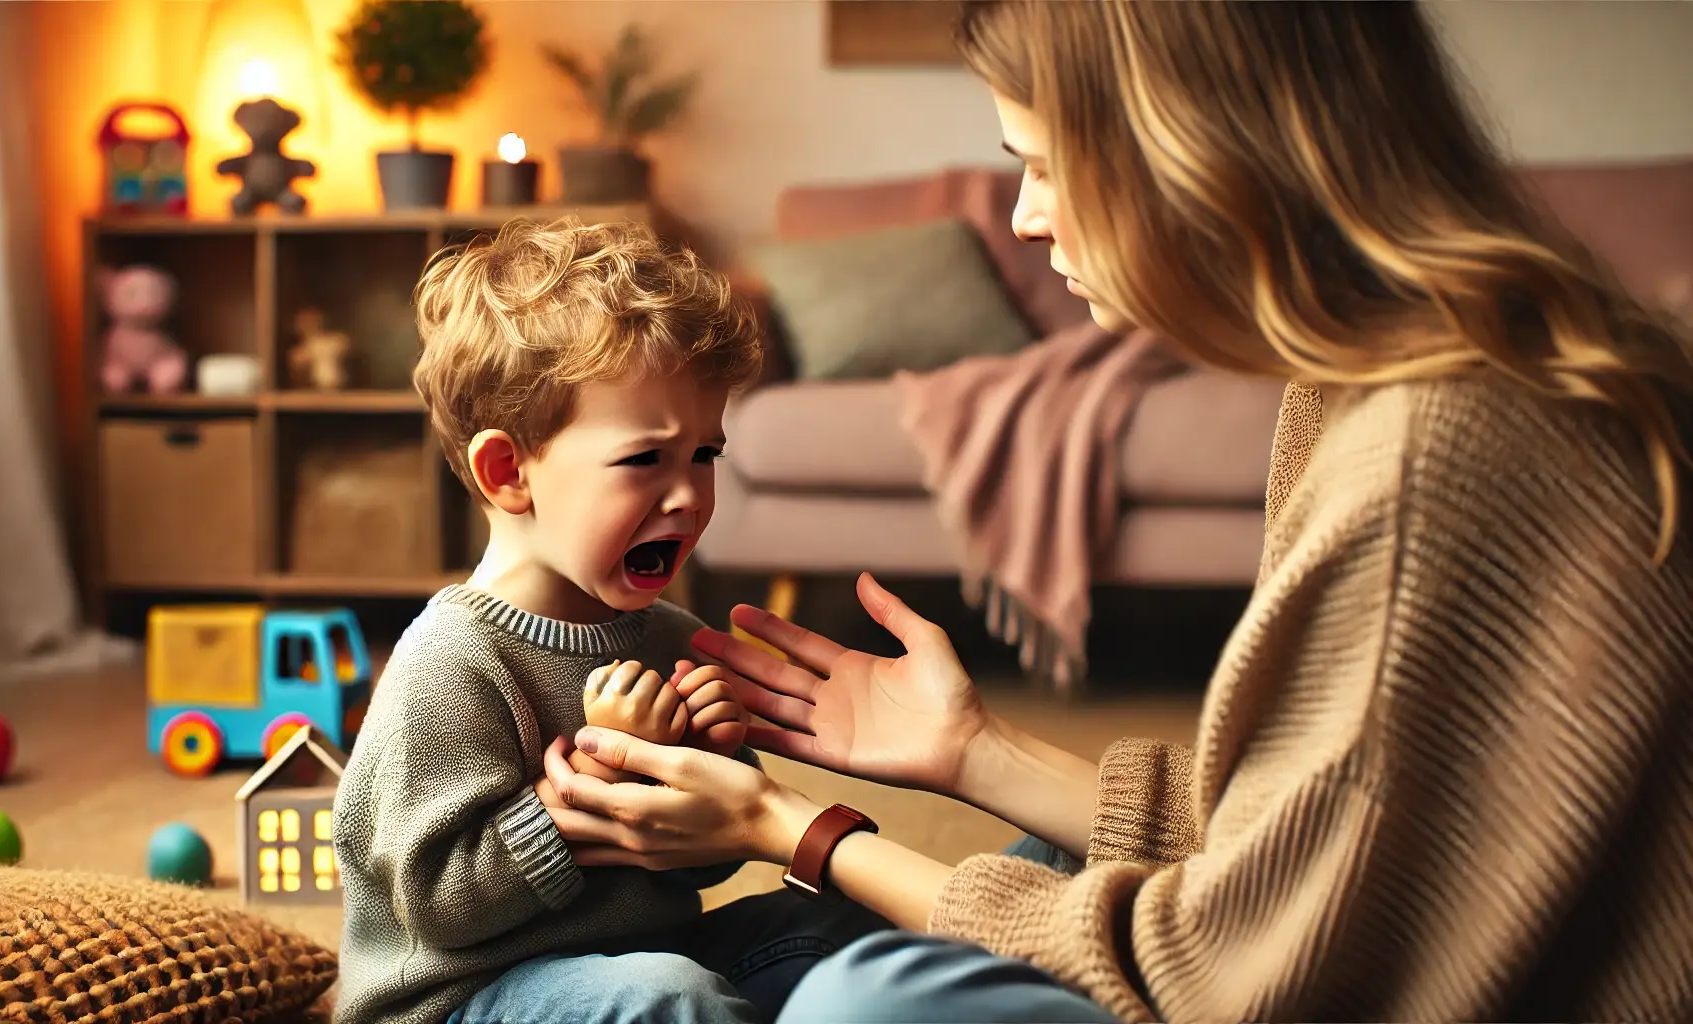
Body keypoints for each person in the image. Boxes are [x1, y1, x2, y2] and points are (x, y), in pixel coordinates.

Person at [537, 2, 1693, 1021]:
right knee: (1050, 855)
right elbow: (1310, 838)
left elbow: (1216, 970)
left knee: (868, 999)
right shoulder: (1404, 376)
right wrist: (971, 750)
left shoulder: (1432, 447)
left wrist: (789, 829)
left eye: (1041, 164)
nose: (1029, 218)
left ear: (1187, 147)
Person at [333, 219, 886, 1024]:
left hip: (635, 964)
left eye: (705, 455)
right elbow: (440, 906)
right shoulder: (449, 664)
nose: (690, 495)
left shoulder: (666, 637)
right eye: (645, 459)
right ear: (508, 472)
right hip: (464, 999)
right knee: (671, 998)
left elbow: (692, 877)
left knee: (849, 927)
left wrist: (704, 768)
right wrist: (600, 782)